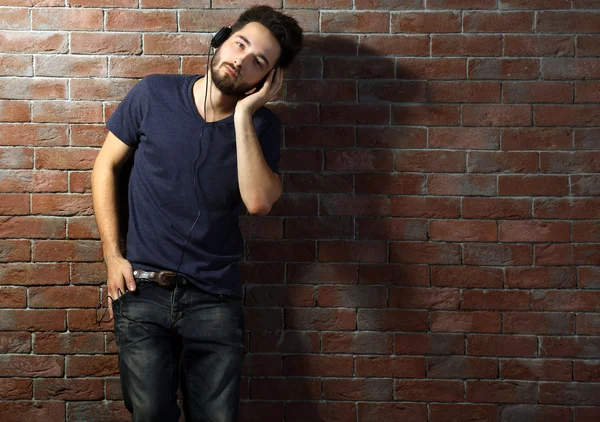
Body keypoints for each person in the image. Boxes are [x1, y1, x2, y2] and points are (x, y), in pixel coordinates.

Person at [91, 6, 303, 421]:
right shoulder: (153, 94)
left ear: (269, 78)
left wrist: (244, 114)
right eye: (239, 44)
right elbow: (105, 167)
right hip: (142, 289)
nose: (241, 60)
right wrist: (112, 257)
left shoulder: (264, 128)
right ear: (222, 38)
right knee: (151, 414)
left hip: (215, 299)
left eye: (259, 61)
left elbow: (259, 203)